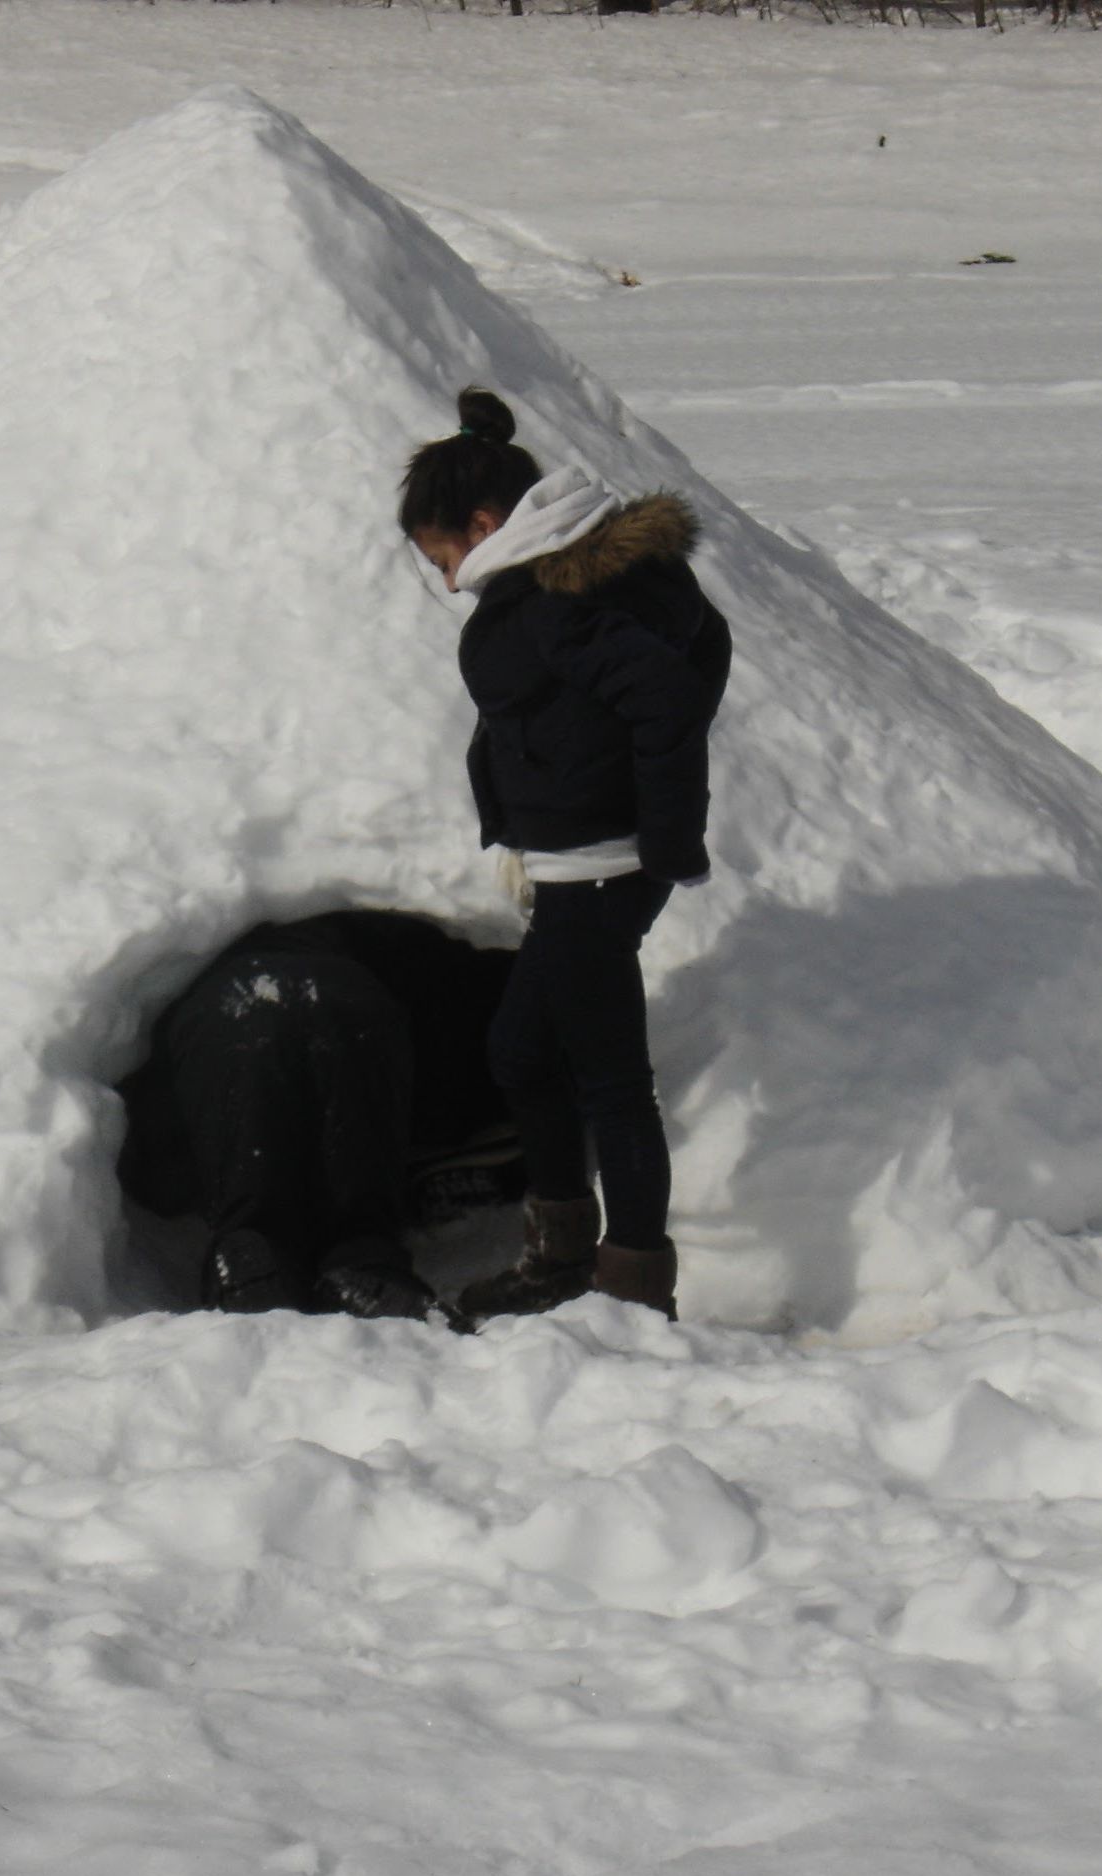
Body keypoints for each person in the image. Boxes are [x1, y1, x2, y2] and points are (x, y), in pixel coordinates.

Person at [399, 387, 731, 1323]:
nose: (450, 583)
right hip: (578, 860)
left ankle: (630, 1289)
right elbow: (699, 649)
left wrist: (659, 833)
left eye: (444, 559)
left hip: (598, 868)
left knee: (609, 1080)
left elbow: (668, 696)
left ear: (483, 524)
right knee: (524, 1052)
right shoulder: (574, 583)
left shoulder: (553, 603)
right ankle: (564, 1253)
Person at [117, 911, 517, 1323]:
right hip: (351, 1004)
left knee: (252, 1202)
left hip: (221, 1012)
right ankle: (364, 1263)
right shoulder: (450, 967)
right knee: (357, 1205)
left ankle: (251, 1260)